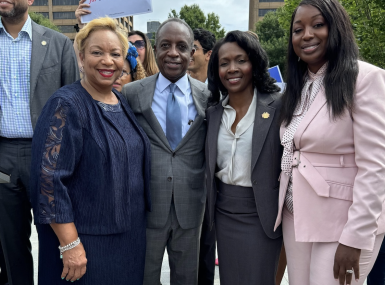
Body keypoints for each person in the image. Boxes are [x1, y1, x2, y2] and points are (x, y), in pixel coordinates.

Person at [30, 17, 151, 284]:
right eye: (97, 52)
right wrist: (70, 245)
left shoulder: (119, 99)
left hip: (127, 242)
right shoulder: (66, 105)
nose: (107, 61)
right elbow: (48, 181)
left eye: (115, 54)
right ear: (82, 57)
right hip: (84, 245)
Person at [274, 0, 385, 284]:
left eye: (318, 25)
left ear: (337, 29)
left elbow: (375, 167)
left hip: (343, 220)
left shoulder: (365, 78)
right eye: (298, 30)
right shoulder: (297, 86)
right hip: (295, 213)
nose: (307, 35)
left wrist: (356, 237)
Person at [122, 18, 210, 285]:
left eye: (182, 46)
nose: (173, 52)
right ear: (154, 49)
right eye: (165, 45)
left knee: (186, 279)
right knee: (144, 277)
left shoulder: (208, 97)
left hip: (190, 207)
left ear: (191, 53)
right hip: (147, 207)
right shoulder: (131, 94)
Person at [0, 0, 79, 283]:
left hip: (50, 157)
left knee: (57, 239)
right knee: (9, 245)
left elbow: (75, 104)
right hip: (4, 158)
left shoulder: (57, 44)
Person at [205, 30, 283, 285]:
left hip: (262, 215)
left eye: (241, 60)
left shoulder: (278, 106)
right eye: (224, 63)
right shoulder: (213, 113)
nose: (232, 68)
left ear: (255, 63)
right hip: (224, 214)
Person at [185, 27, 217, 285]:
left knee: (205, 253)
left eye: (192, 47)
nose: (187, 53)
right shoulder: (177, 87)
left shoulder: (223, 90)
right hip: (182, 183)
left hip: (213, 186)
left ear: (208, 54)